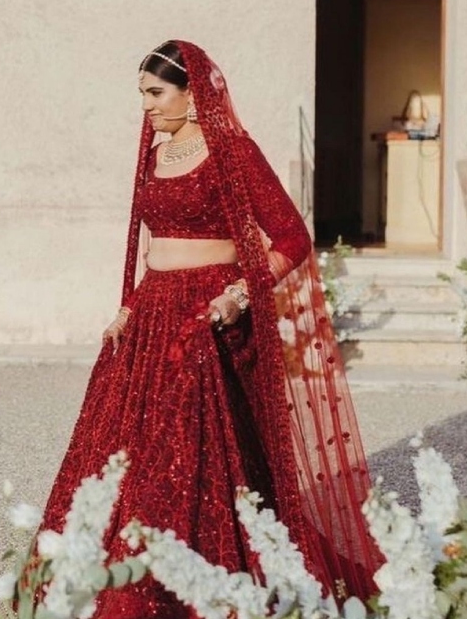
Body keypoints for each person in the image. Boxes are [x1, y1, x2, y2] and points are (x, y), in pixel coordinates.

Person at [40, 40, 382, 618]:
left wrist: (239, 296)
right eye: (142, 95)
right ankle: (115, 575)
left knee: (191, 454)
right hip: (152, 316)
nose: (146, 106)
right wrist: (128, 307)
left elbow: (292, 238)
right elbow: (147, 242)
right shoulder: (155, 152)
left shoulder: (231, 152)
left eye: (156, 93)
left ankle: (191, 581)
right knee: (128, 452)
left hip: (209, 318)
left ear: (193, 93)